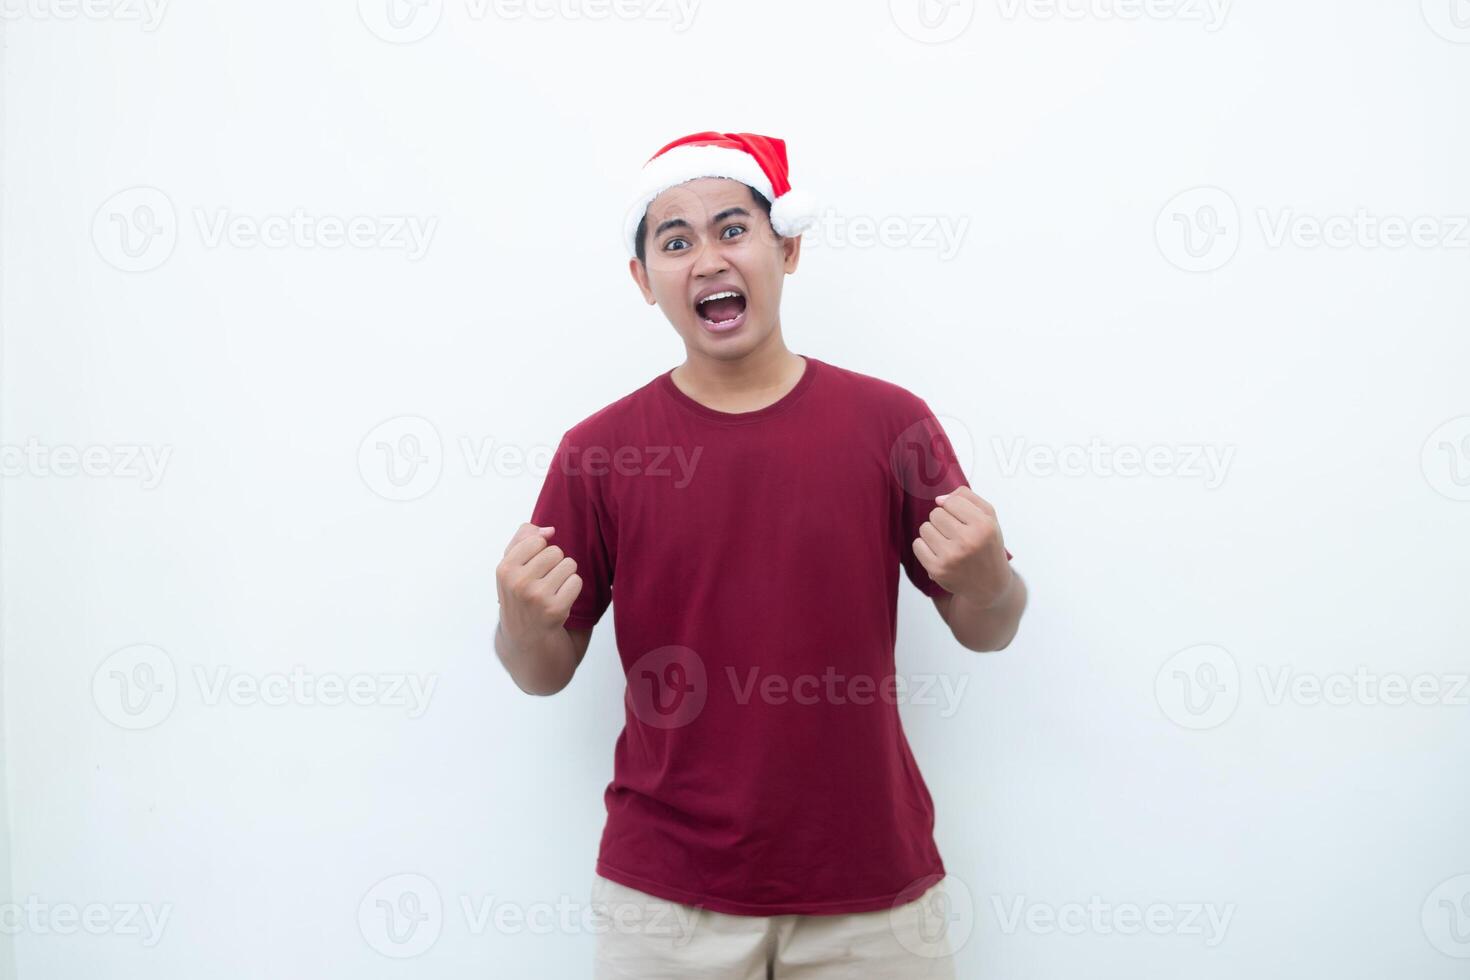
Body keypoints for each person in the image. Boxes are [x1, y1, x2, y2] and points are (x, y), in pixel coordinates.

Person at [494, 131, 1027, 978]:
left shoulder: (892, 424)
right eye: (675, 241)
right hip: (664, 903)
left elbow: (989, 628)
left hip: (871, 893)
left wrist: (990, 579)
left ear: (786, 248)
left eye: (732, 229)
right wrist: (520, 623)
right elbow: (541, 670)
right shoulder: (599, 452)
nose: (707, 258)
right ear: (643, 280)